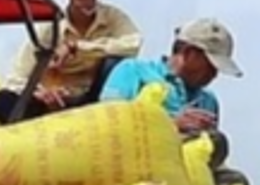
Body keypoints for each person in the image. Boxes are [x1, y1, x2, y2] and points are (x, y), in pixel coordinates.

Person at [0, 0, 143, 122]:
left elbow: (133, 44)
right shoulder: (50, 28)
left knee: (116, 62)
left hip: (90, 100)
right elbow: (16, 78)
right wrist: (42, 93)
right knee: (1, 99)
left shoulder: (114, 18)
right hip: (50, 101)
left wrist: (78, 47)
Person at [101, 17, 242, 135]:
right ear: (188, 53)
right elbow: (108, 124)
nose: (214, 74)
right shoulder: (133, 72)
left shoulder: (209, 101)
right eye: (210, 65)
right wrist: (172, 125)